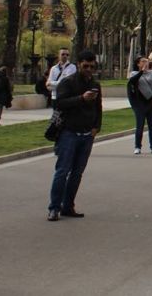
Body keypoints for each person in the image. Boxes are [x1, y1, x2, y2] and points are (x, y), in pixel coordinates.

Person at [47, 50, 102, 222]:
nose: (88, 69)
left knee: (77, 173)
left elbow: (98, 107)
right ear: (79, 64)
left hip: (87, 134)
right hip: (69, 133)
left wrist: (96, 127)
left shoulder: (95, 84)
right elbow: (60, 104)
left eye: (92, 67)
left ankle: (68, 206)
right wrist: (81, 98)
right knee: (62, 171)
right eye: (86, 66)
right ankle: (54, 207)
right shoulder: (68, 82)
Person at [127, 55, 152, 154]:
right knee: (140, 126)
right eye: (143, 61)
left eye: (147, 61)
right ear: (138, 63)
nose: (145, 63)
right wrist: (141, 71)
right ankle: (138, 147)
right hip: (139, 104)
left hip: (151, 103)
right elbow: (132, 82)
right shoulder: (134, 73)